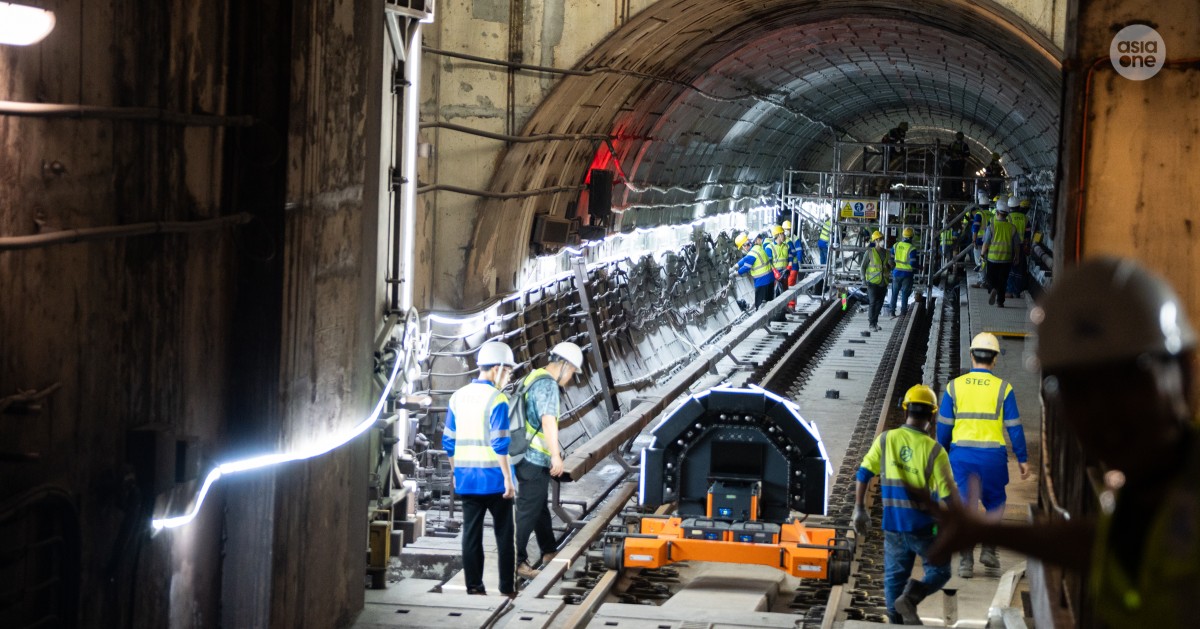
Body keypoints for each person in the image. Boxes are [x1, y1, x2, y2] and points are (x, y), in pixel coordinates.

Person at [921, 257, 1200, 626]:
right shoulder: (1148, 490)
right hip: (991, 459)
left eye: (1128, 380)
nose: (1104, 412)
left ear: (1183, 370)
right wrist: (987, 530)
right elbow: (1106, 546)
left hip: (962, 457)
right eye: (1077, 390)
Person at [853, 384, 958, 624]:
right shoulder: (935, 450)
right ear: (932, 415)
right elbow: (950, 496)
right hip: (924, 528)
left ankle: (895, 621)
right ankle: (911, 597)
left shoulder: (886, 439)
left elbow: (863, 473)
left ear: (905, 411)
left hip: (893, 525)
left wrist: (859, 509)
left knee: (893, 578)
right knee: (940, 571)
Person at [937, 332, 1029, 578]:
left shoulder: (954, 386)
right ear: (995, 359)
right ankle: (989, 549)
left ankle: (966, 561)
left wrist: (942, 451)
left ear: (971, 355)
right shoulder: (1003, 389)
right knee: (995, 503)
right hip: (993, 457)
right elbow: (1014, 427)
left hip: (962, 457)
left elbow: (944, 425)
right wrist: (1022, 458)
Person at [443, 341, 519, 597]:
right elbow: (500, 443)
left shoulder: (457, 397)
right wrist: (509, 479)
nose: (508, 377)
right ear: (496, 368)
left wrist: (455, 474)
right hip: (496, 480)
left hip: (467, 479)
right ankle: (507, 588)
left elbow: (448, 442)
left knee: (471, 534)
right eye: (508, 372)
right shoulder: (497, 399)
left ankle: (474, 587)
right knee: (504, 536)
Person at [514, 341, 583, 579]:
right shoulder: (548, 386)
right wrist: (556, 456)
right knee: (527, 509)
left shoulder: (533, 377)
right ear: (563, 365)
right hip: (534, 458)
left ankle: (548, 550)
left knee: (538, 505)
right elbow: (548, 421)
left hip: (525, 454)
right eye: (572, 371)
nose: (571, 378)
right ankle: (517, 561)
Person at [981, 206, 1020, 308]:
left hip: (992, 258)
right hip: (1006, 259)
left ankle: (993, 288)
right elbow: (1016, 244)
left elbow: (986, 243)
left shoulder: (991, 227)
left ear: (997, 212)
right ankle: (1000, 302)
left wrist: (982, 254)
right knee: (1003, 281)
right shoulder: (1012, 228)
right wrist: (1017, 256)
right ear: (1007, 214)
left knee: (990, 278)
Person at [859, 230, 892, 332]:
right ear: (875, 241)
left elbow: (890, 267)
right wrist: (863, 279)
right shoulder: (869, 252)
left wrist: (890, 265)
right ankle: (871, 324)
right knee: (873, 302)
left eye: (882, 239)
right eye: (880, 239)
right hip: (872, 282)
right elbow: (863, 267)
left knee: (880, 303)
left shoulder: (887, 252)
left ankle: (875, 322)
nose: (882, 241)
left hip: (883, 282)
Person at [733, 232, 774, 308]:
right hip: (770, 279)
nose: (742, 249)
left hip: (762, 281)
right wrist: (735, 266)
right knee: (770, 303)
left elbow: (746, 267)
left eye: (742, 247)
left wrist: (736, 273)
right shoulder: (756, 248)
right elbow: (745, 259)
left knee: (759, 305)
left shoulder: (752, 253)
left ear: (745, 245)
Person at [888, 227, 918, 318]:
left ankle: (892, 311)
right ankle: (903, 312)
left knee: (895, 293)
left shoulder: (895, 245)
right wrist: (917, 268)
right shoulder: (912, 248)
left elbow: (891, 260)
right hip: (907, 274)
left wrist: (893, 269)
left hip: (896, 273)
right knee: (905, 293)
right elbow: (913, 263)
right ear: (911, 237)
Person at [944, 131, 971, 198]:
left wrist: (959, 154)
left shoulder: (963, 145)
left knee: (958, 177)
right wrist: (952, 153)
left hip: (959, 163)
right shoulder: (953, 144)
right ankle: (955, 191)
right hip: (954, 163)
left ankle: (959, 191)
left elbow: (967, 154)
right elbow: (947, 152)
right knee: (954, 177)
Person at [769, 225, 789, 295]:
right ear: (779, 235)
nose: (784, 235)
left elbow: (790, 257)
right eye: (783, 233)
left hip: (785, 273)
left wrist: (789, 266)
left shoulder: (786, 246)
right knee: (776, 294)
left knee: (785, 293)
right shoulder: (769, 247)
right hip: (775, 275)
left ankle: (786, 306)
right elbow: (768, 262)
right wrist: (775, 271)